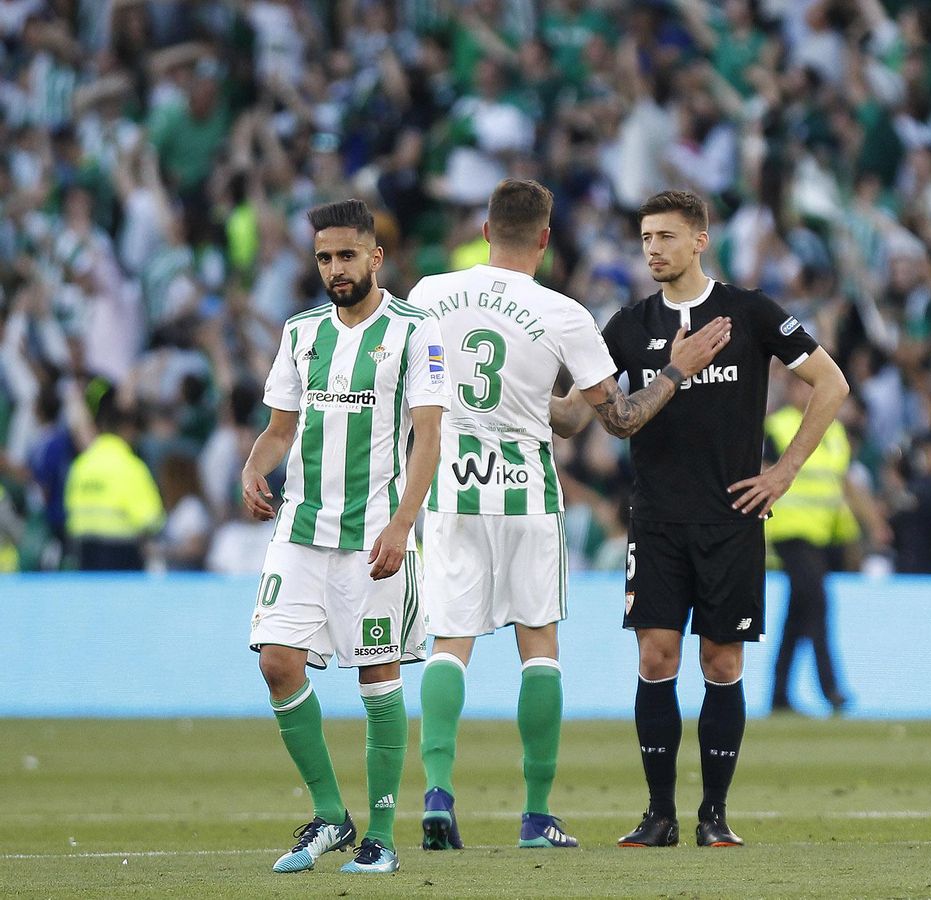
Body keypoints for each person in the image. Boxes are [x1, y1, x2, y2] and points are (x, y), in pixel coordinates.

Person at [408, 178, 731, 852]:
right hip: (527, 493)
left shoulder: (430, 294)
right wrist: (672, 372)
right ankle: (535, 815)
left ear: (486, 229)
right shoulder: (563, 314)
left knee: (450, 643)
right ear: (546, 239)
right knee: (539, 649)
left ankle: (438, 793)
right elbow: (620, 421)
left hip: (450, 488)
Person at [584, 190, 848, 848]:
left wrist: (783, 470)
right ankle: (658, 814)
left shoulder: (751, 312)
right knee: (655, 656)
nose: (652, 248)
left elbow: (832, 383)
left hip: (731, 519)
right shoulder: (629, 324)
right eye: (645, 237)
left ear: (700, 241)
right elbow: (586, 408)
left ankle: (714, 815)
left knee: (722, 664)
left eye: (666, 237)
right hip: (657, 521)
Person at [241, 198, 450, 875]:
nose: (335, 268)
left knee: (377, 673)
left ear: (375, 257)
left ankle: (382, 835)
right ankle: (332, 816)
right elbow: (280, 430)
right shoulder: (302, 333)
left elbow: (429, 437)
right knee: (277, 661)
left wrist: (403, 523)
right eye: (325, 257)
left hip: (374, 534)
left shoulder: (419, 330)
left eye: (347, 256)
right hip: (300, 530)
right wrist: (251, 468)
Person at [765, 369, 885, 716]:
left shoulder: (833, 431)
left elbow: (846, 482)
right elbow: (761, 471)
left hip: (826, 535)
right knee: (818, 605)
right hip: (790, 531)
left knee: (798, 613)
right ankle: (830, 687)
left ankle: (779, 695)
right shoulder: (777, 427)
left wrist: (873, 523)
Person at [63, 391, 164, 570]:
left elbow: (70, 510)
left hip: (83, 555)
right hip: (122, 556)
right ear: (127, 429)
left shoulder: (81, 464)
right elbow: (151, 519)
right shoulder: (131, 467)